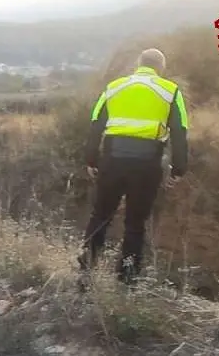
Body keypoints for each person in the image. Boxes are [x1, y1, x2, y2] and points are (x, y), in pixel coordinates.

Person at [80, 48, 190, 284]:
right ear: (161, 68)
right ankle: (127, 279)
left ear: (138, 64)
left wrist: (91, 159)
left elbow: (96, 124)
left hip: (113, 159)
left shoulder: (113, 87)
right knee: (135, 222)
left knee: (100, 215)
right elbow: (180, 131)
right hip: (146, 163)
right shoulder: (170, 91)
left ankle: (86, 272)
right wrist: (178, 169)